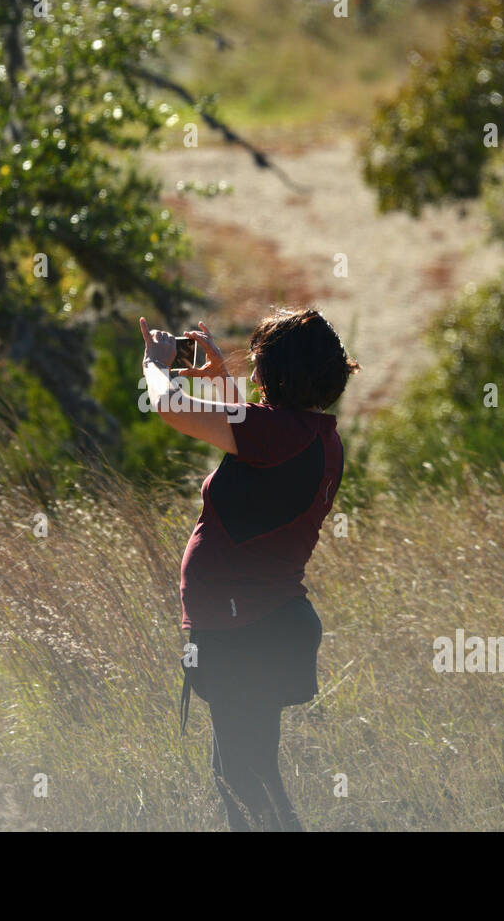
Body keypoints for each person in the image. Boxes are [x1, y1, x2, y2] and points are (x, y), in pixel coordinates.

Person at [138, 308, 359, 831]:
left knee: (243, 777)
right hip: (263, 624)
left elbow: (168, 406)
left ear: (284, 374)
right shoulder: (311, 434)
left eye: (260, 366)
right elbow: (255, 449)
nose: (254, 376)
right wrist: (221, 381)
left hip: (247, 630)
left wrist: (156, 362)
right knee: (245, 772)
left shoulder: (281, 435)